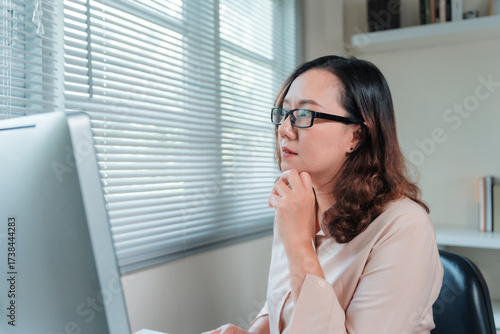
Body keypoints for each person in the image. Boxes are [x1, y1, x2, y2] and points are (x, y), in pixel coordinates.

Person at [202, 55, 443, 334]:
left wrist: (299, 243)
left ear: (356, 136)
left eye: (304, 115)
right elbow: (282, 305)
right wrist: (252, 333)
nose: (283, 129)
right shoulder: (299, 204)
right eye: (283, 113)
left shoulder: (404, 226)